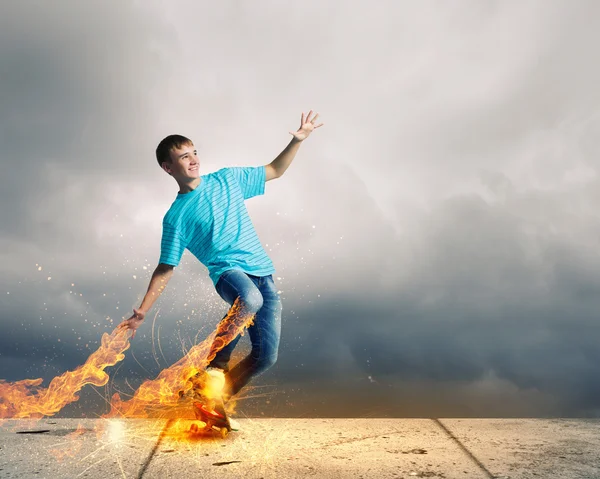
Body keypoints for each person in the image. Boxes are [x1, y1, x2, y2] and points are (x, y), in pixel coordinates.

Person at [118, 111, 323, 426]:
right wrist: (144, 310)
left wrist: (296, 140)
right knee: (250, 299)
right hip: (229, 275)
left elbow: (275, 170)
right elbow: (165, 267)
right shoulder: (176, 216)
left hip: (263, 275)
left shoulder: (228, 179)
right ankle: (212, 368)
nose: (194, 160)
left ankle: (213, 402)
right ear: (168, 167)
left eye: (195, 153)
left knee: (266, 356)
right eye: (184, 157)